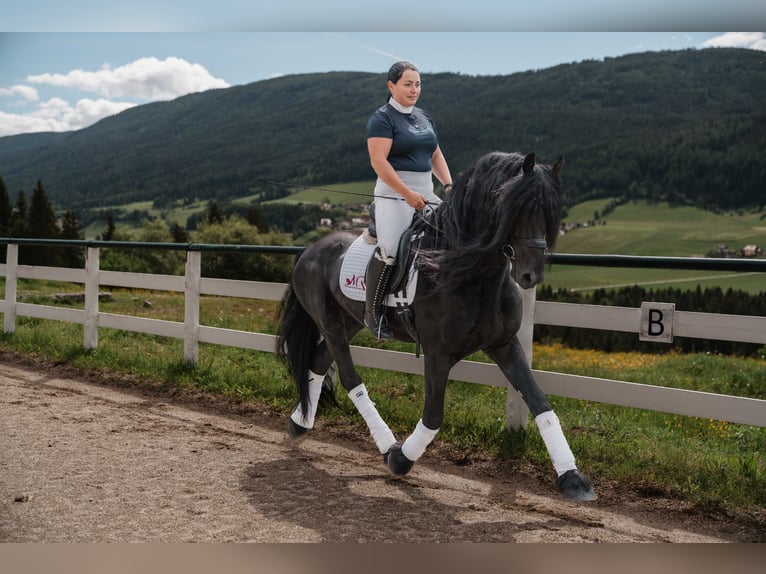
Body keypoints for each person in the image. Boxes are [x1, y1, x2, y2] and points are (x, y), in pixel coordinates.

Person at [365, 60, 453, 340]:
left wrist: (448, 185)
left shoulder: (424, 117)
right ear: (391, 86)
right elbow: (379, 162)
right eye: (408, 84)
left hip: (426, 192)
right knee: (390, 248)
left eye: (417, 84)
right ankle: (374, 313)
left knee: (455, 234)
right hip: (393, 194)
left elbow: (435, 155)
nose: (414, 90)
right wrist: (406, 193)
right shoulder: (382, 118)